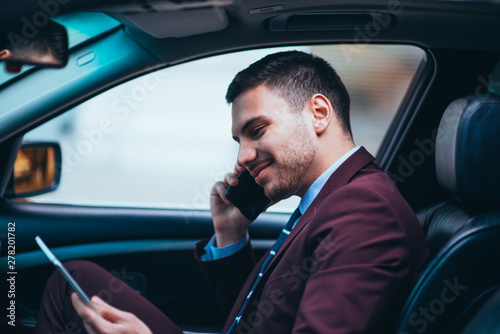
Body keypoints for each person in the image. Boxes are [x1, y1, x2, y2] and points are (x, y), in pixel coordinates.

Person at [34, 51, 429, 334]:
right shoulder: (330, 197)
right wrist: (230, 234)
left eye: (257, 131)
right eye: (239, 139)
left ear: (319, 113)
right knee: (76, 280)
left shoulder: (364, 210)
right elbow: (260, 318)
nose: (242, 157)